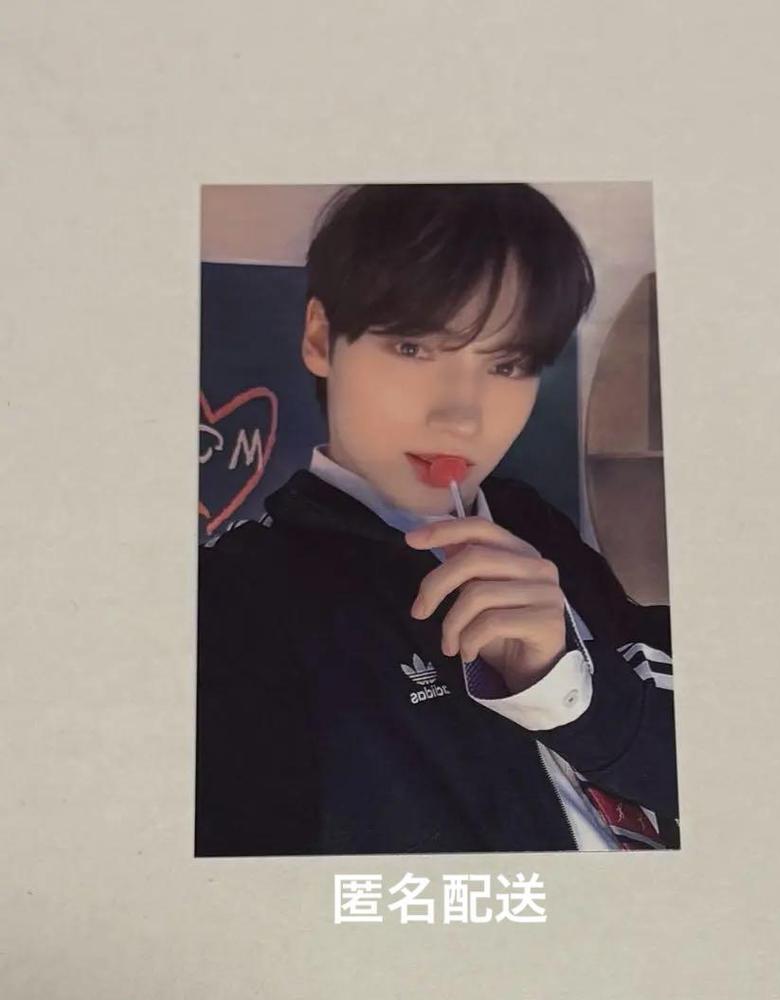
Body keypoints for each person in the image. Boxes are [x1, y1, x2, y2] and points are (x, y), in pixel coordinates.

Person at [195, 184, 679, 857]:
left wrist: (563, 689)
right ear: (321, 339)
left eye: (506, 363)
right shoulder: (236, 600)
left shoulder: (530, 523)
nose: (461, 416)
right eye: (414, 349)